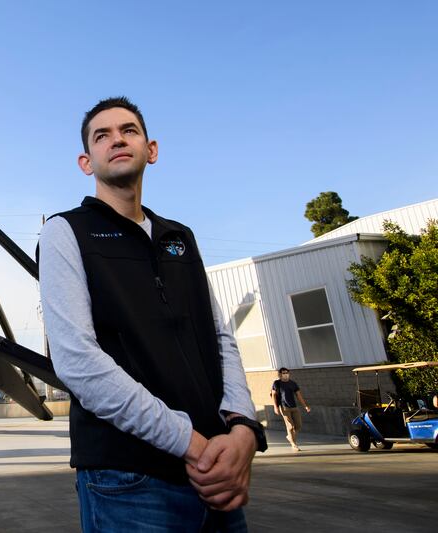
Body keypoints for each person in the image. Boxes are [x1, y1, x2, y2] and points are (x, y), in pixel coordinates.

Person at [39, 96, 266, 532]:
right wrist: (191, 444)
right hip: (128, 479)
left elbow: (220, 338)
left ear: (152, 150)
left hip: (215, 473)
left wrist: (242, 430)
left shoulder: (179, 237)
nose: (117, 140)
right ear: (86, 162)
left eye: (129, 130)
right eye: (102, 136)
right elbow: (77, 361)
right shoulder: (66, 232)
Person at [271, 367, 311, 451]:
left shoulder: (293, 383)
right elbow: (273, 395)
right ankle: (293, 444)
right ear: (280, 374)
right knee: (290, 427)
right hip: (284, 407)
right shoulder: (277, 383)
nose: (285, 374)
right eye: (283, 373)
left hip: (294, 407)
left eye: (287, 373)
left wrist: (305, 406)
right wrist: (275, 407)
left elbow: (298, 395)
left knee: (298, 425)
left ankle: (290, 437)